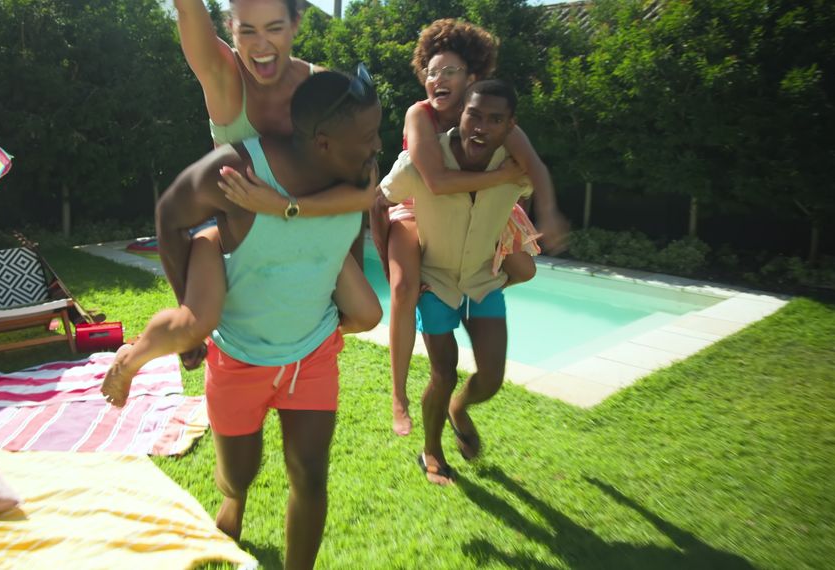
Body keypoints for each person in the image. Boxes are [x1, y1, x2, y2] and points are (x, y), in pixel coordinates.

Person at [107, 70, 382, 568]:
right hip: (239, 354)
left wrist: (290, 213)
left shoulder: (357, 169)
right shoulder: (238, 170)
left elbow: (350, 231)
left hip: (311, 355)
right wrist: (191, 305)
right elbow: (170, 215)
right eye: (369, 136)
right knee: (239, 474)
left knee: (310, 475)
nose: (377, 146)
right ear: (323, 142)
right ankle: (135, 363)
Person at [167, 0, 381, 370]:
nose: (261, 43)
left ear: (295, 23)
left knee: (367, 315)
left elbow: (364, 190)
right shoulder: (222, 74)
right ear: (231, 29)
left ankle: (307, 343)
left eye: (274, 28)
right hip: (243, 244)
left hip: (309, 238)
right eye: (248, 30)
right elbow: (187, 9)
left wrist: (285, 206)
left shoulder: (322, 88)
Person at [372, 79, 532, 485]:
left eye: (494, 120)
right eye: (474, 115)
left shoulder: (514, 165)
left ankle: (458, 408)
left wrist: (502, 227)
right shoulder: (422, 155)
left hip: (481, 274)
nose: (481, 126)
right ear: (461, 114)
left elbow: (525, 192)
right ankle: (432, 449)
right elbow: (382, 198)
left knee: (491, 379)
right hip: (435, 273)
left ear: (509, 125)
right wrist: (387, 256)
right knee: (443, 371)